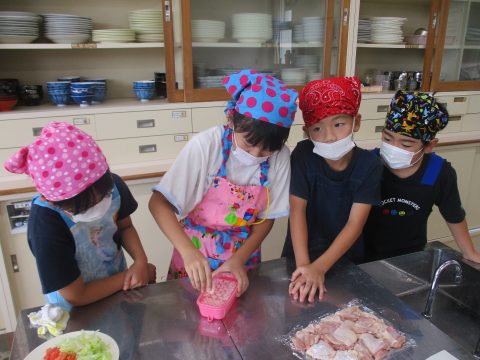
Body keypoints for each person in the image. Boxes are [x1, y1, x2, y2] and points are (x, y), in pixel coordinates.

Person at [149, 69, 298, 296]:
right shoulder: (206, 146)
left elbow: (266, 219)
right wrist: (188, 252)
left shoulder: (280, 156)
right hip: (193, 254)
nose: (256, 155)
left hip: (243, 255)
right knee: (187, 319)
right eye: (248, 145)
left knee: (242, 318)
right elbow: (158, 204)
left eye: (267, 149)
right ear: (231, 119)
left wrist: (239, 259)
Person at [4, 122, 156, 310]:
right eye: (85, 207)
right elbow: (76, 295)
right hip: (76, 309)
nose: (99, 207)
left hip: (118, 289)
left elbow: (125, 227)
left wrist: (140, 262)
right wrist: (131, 277)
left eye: (105, 196)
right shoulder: (45, 224)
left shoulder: (114, 184)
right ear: (53, 201)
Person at [282, 76, 383, 303]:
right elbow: (297, 210)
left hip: (345, 258)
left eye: (339, 124)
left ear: (355, 122)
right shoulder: (303, 155)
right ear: (307, 132)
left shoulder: (369, 165)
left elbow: (355, 223)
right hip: (300, 254)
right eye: (318, 128)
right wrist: (304, 268)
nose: (329, 137)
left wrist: (319, 268)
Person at [363, 91, 480, 263]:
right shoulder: (369, 164)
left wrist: (469, 252)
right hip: (365, 255)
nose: (394, 148)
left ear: (429, 146)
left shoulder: (437, 172)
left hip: (413, 255)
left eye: (406, 144)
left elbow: (453, 214)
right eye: (387, 138)